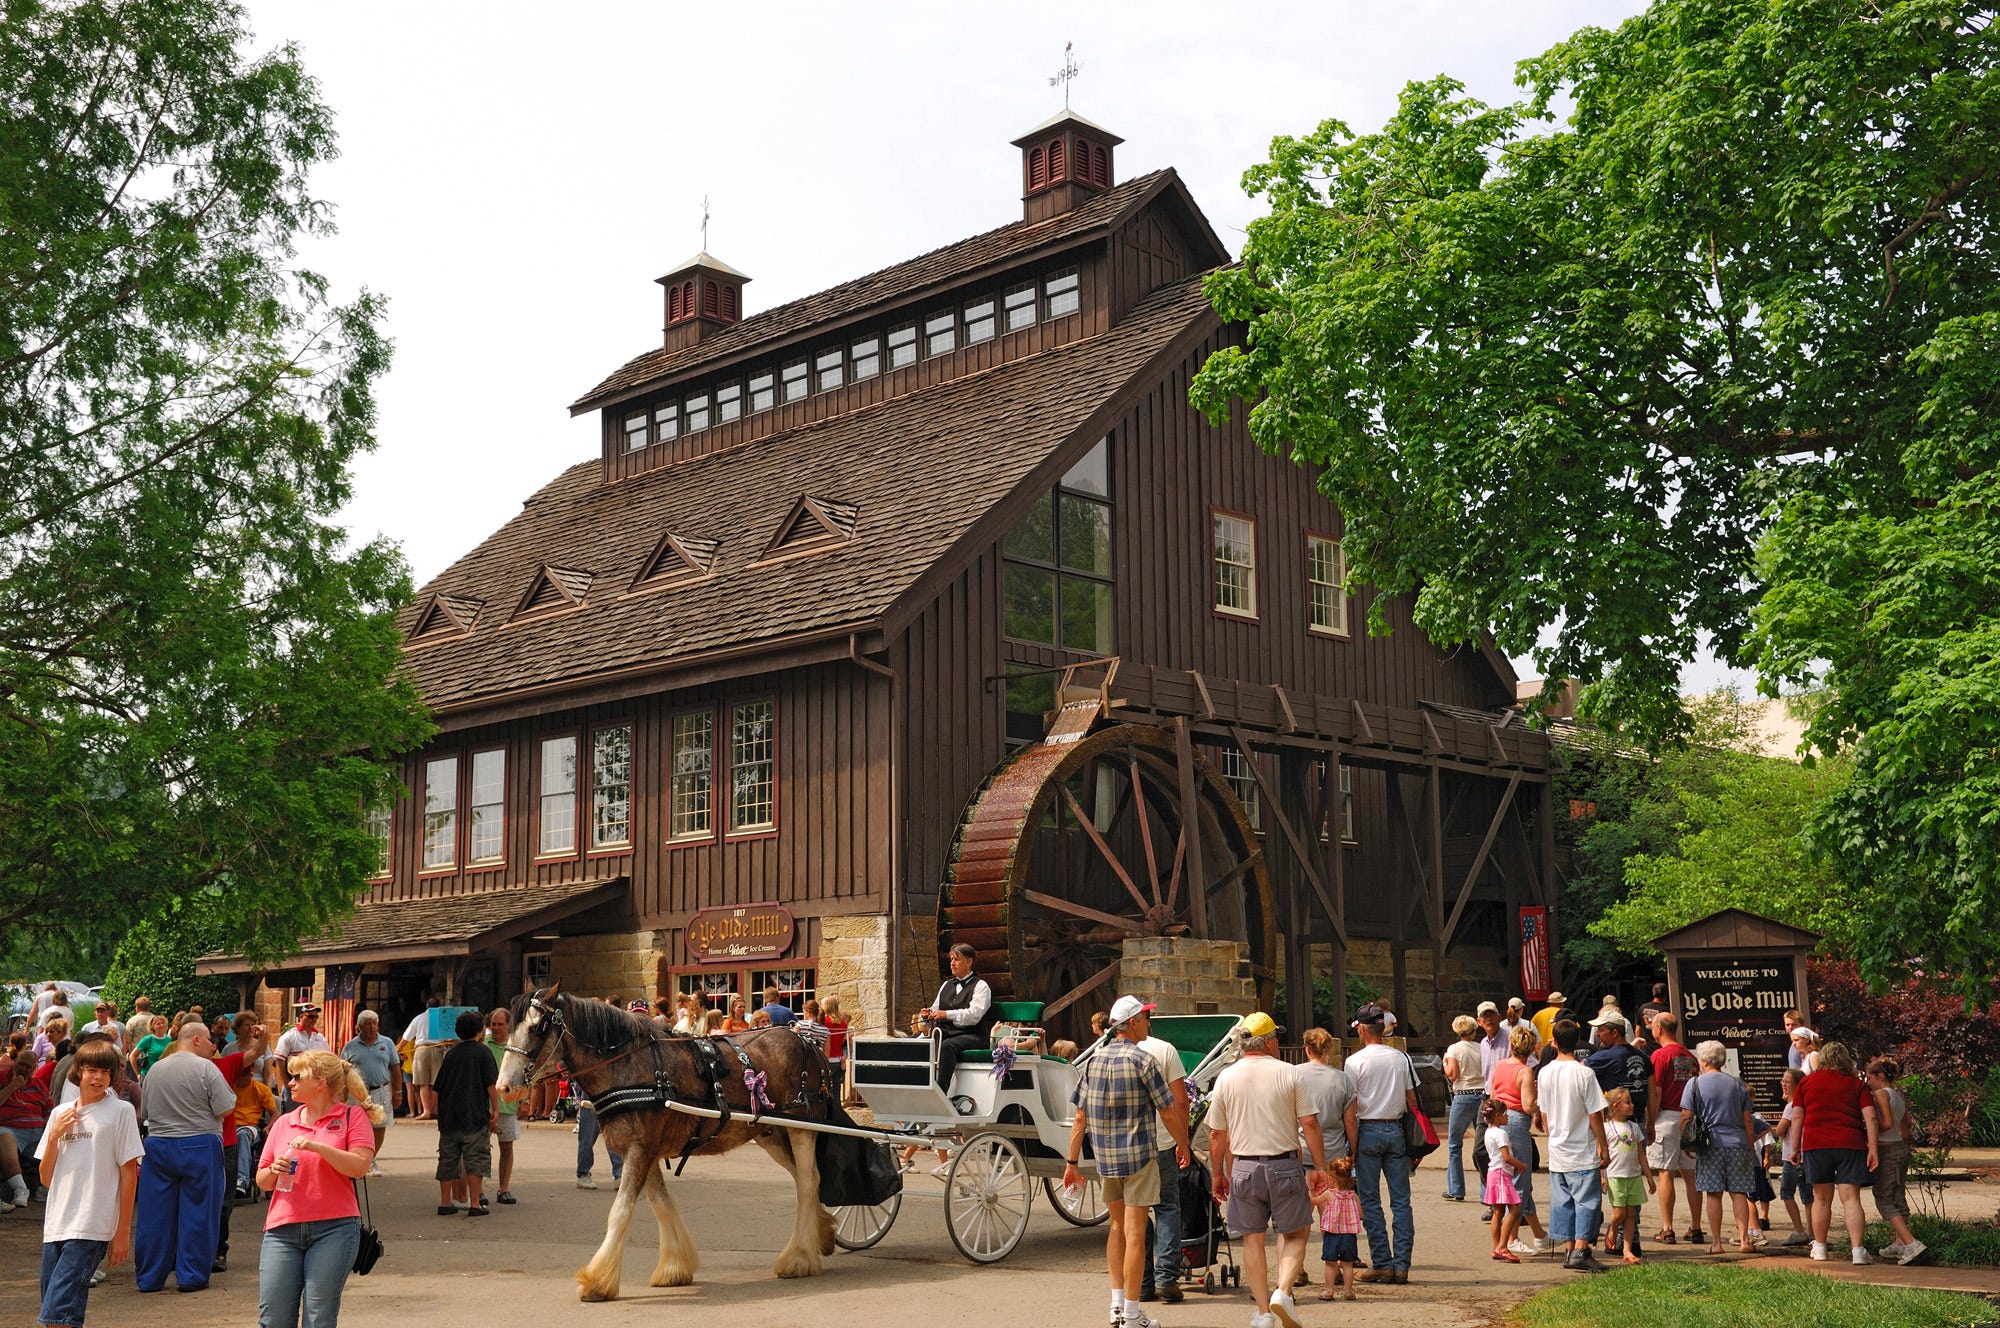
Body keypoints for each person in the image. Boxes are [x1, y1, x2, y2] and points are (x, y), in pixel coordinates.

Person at [1060, 995, 1189, 1328]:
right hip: (1140, 1158)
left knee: (1116, 1229)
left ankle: (1116, 1306)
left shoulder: (1093, 1061)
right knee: (1135, 1234)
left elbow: (1079, 1118)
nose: (1149, 1023)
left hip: (1106, 1160)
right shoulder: (1144, 1061)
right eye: (1146, 1018)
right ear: (1131, 1023)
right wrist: (1184, 1144)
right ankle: (1132, 1314)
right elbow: (1168, 1110)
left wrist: (1072, 1162)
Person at [1203, 1010, 1325, 1327]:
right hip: (1284, 1164)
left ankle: (1262, 1314)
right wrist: (1320, 1166)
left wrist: (1218, 1174)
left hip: (1244, 1167)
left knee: (1253, 1240)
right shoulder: (1289, 1073)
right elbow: (1309, 1122)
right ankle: (1282, 1291)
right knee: (1296, 1232)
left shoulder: (1226, 1077)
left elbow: (1217, 1133)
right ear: (1270, 1040)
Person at [256, 1049, 382, 1328]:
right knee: (273, 1318)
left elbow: (359, 1166)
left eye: (297, 1076)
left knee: (318, 1318)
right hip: (282, 1230)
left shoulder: (352, 1117)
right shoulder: (284, 1123)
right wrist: (272, 1171)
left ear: (320, 1081)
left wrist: (317, 1146)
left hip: (334, 1229)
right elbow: (261, 1180)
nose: (290, 1083)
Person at [36, 1039, 142, 1328]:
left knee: (56, 1314)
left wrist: (122, 1233)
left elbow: (129, 1172)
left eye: (105, 1072)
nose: (98, 1078)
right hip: (56, 1225)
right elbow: (46, 1178)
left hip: (92, 1225)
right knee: (63, 1313)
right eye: (92, 1070)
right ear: (78, 1071)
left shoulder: (120, 1112)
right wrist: (55, 1135)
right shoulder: (59, 1114)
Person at [134, 1021, 235, 1292]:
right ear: (197, 1040)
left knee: (154, 1215)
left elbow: (146, 1113)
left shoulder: (155, 1069)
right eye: (209, 1040)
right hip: (199, 1144)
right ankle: (191, 1276)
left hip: (158, 1144)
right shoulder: (206, 1068)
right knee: (200, 1212)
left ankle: (150, 1277)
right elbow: (225, 1109)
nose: (213, 1047)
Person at [1341, 1004, 1418, 1284]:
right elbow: (1412, 1101)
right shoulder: (1400, 1058)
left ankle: (1381, 1261)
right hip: (1396, 1129)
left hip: (1368, 1130)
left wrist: (1351, 1144)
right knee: (1401, 1201)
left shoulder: (1354, 1062)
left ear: (1361, 1030)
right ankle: (1402, 1264)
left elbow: (1351, 1106)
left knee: (1371, 1200)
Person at [1129, 999, 1191, 1306]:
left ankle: (1142, 1283)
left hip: (1127, 1145)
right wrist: (1184, 1141)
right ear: (1142, 1020)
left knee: (1136, 1211)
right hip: (1162, 1141)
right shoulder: (1165, 1050)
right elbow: (1180, 1101)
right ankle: (1167, 1278)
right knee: (1167, 1207)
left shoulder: (1104, 1053)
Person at [1536, 1019, 1609, 1273]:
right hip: (1581, 1147)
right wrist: (1604, 1147)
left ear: (1553, 1042)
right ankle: (1580, 1249)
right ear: (1577, 1043)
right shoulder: (1584, 1072)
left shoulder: (1544, 1072)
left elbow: (1543, 1113)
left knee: (1563, 1202)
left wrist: (1551, 1135)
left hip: (1558, 1147)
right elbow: (1595, 1114)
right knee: (1586, 1201)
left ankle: (1568, 1249)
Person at [1797, 1041, 1879, 1265]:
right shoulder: (1856, 1085)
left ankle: (1821, 1248)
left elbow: (1797, 1117)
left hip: (1816, 1144)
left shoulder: (1806, 1083)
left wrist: (1794, 1147)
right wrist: (1872, 1148)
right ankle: (1858, 1251)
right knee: (1851, 1198)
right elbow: (1870, 1117)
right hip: (1850, 1143)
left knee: (1821, 1198)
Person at [1680, 1039, 1763, 1255]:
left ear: (1704, 1061)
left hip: (1709, 1145)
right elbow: (1747, 1118)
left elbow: (1686, 1115)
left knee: (1714, 1194)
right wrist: (1749, 1143)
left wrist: (1685, 1140)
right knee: (1739, 1192)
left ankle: (1716, 1243)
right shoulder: (1738, 1085)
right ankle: (1745, 1240)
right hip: (1737, 1144)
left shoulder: (1694, 1084)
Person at [1488, 1024, 1553, 1256]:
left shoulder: (1500, 1066)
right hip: (1516, 1121)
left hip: (1499, 1119)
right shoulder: (1525, 1072)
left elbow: (1493, 1096)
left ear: (1512, 1045)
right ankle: (1511, 1238)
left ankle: (1539, 1235)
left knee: (1515, 1181)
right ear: (1531, 1049)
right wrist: (1542, 1104)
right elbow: (1527, 1105)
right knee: (1519, 1183)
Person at [1644, 1012, 1703, 1244]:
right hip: (1688, 1117)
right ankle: (1696, 1227)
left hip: (1666, 1116)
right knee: (1691, 1175)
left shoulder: (1660, 1055)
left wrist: (1650, 1121)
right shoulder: (1690, 1056)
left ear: (1659, 1029)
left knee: (1665, 1172)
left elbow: (1656, 1090)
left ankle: (1667, 1228)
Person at [432, 1009, 498, 1216]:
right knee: (475, 1159)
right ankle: (475, 1203)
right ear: (480, 1031)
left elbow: (438, 1087)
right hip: (474, 1115)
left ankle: (445, 1202)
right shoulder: (483, 1053)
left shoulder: (451, 1054)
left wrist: (437, 1111)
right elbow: (490, 1085)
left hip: (450, 1116)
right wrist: (495, 1109)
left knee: (448, 1159)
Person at [1866, 1057, 1927, 1265]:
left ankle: (1911, 1243)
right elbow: (1904, 1128)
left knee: (1883, 1196)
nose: (1868, 1082)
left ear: (1880, 1076)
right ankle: (1899, 1242)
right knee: (1897, 1194)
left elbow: (1887, 1122)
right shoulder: (1898, 1095)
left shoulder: (1881, 1094)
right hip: (1900, 1147)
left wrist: (1869, 1130)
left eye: (1870, 1077)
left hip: (1886, 1149)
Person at [916, 943, 996, 1091]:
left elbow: (974, 1016)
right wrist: (927, 1015)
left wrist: (946, 1014)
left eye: (956, 959)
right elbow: (935, 1009)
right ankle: (918, 1088)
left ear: (969, 962)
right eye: (951, 959)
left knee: (947, 1046)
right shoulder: (946, 985)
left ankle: (941, 1092)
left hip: (973, 1036)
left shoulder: (981, 986)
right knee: (918, 1044)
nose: (952, 963)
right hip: (947, 1034)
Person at [339, 1011, 400, 1174]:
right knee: (357, 1125)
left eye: (374, 1023)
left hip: (381, 1089)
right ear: (359, 1027)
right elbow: (342, 1069)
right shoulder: (350, 1046)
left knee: (379, 1125)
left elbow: (395, 1068)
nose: (372, 1027)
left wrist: (398, 1091)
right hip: (357, 1091)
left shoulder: (386, 1043)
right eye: (368, 1023)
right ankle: (358, 1157)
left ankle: (371, 1159)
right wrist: (342, 1093)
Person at [1601, 1087, 1654, 1263]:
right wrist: (1602, 1176)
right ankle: (1614, 1228)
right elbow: (1600, 1154)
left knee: (1631, 1214)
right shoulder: (1607, 1128)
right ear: (1615, 1106)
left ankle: (1627, 1250)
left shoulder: (1634, 1127)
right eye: (1627, 1102)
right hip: (1615, 1176)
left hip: (1633, 1176)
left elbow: (1641, 1154)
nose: (1631, 1105)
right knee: (1619, 1215)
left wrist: (1648, 1176)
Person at [1440, 1015, 1485, 1202]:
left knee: (1454, 1143)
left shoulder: (1454, 1049)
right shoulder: (1482, 1047)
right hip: (1482, 1094)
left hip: (1463, 1095)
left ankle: (1456, 1188)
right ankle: (1486, 1192)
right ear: (1474, 1031)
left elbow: (1452, 1075)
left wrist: (1444, 1063)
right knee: (1483, 1145)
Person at [485, 1007, 523, 1205]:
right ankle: (479, 1191)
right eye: (493, 1024)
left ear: (509, 1025)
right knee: (481, 1149)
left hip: (508, 1105)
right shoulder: (483, 1044)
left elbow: (526, 1075)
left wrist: (524, 1101)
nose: (496, 1027)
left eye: (500, 1024)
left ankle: (504, 1188)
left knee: (506, 1147)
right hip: (484, 1107)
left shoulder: (516, 1046)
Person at [1482, 1098, 1525, 1262]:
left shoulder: (1488, 1132)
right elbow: (1506, 1157)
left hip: (1493, 1172)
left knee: (1498, 1212)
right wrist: (1520, 1165)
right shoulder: (1501, 1134)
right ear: (1498, 1116)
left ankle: (1496, 1247)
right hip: (1501, 1174)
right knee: (1515, 1210)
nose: (1508, 1117)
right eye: (1505, 1114)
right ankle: (1503, 1246)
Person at [1775, 1067, 1814, 1247]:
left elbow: (1780, 1131)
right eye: (1782, 1081)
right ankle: (1812, 1232)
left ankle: (1799, 1230)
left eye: (1787, 1082)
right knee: (1808, 1196)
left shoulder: (1791, 1107)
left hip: (1792, 1155)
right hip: (1807, 1155)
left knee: (1786, 1192)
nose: (1783, 1084)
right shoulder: (1804, 1104)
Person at [1315, 1157, 1362, 1301]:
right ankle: (1348, 1291)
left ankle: (1329, 1290)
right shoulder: (1353, 1195)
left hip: (1332, 1234)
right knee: (1347, 1265)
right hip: (1349, 1235)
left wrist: (1310, 1193)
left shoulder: (1329, 1194)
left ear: (1331, 1178)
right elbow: (1361, 1214)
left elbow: (1314, 1201)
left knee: (1331, 1264)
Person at [233, 1061, 279, 1198]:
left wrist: (268, 1126)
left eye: (251, 1071)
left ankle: (241, 1180)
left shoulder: (260, 1089)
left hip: (250, 1126)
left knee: (242, 1135)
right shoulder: (229, 1087)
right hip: (228, 1126)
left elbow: (276, 1114)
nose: (250, 1074)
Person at [272, 1006, 330, 1112]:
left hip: (314, 1086)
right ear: (301, 1016)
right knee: (292, 1116)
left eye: (316, 1017)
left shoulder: (320, 1039)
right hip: (295, 1084)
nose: (314, 1020)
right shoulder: (289, 1037)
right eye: (311, 1016)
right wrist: (286, 1083)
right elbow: (279, 1061)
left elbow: (327, 1061)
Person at [402, 997, 447, 1120]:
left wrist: (398, 1049)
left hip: (422, 1050)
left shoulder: (419, 1018)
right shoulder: (442, 1018)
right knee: (435, 1083)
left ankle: (427, 1111)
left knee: (423, 1083)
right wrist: (444, 1043)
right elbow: (449, 1035)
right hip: (437, 1050)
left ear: (426, 1006)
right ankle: (436, 1111)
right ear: (439, 1006)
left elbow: (407, 1036)